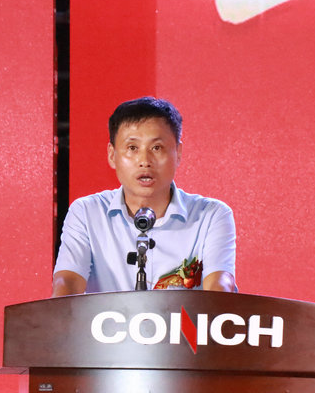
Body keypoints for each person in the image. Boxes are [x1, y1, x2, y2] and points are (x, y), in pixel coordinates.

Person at [52, 97, 236, 296]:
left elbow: (220, 287)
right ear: (112, 155)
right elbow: (67, 283)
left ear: (178, 153)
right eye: (132, 148)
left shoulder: (211, 215)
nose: (144, 161)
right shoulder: (87, 212)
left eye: (156, 148)